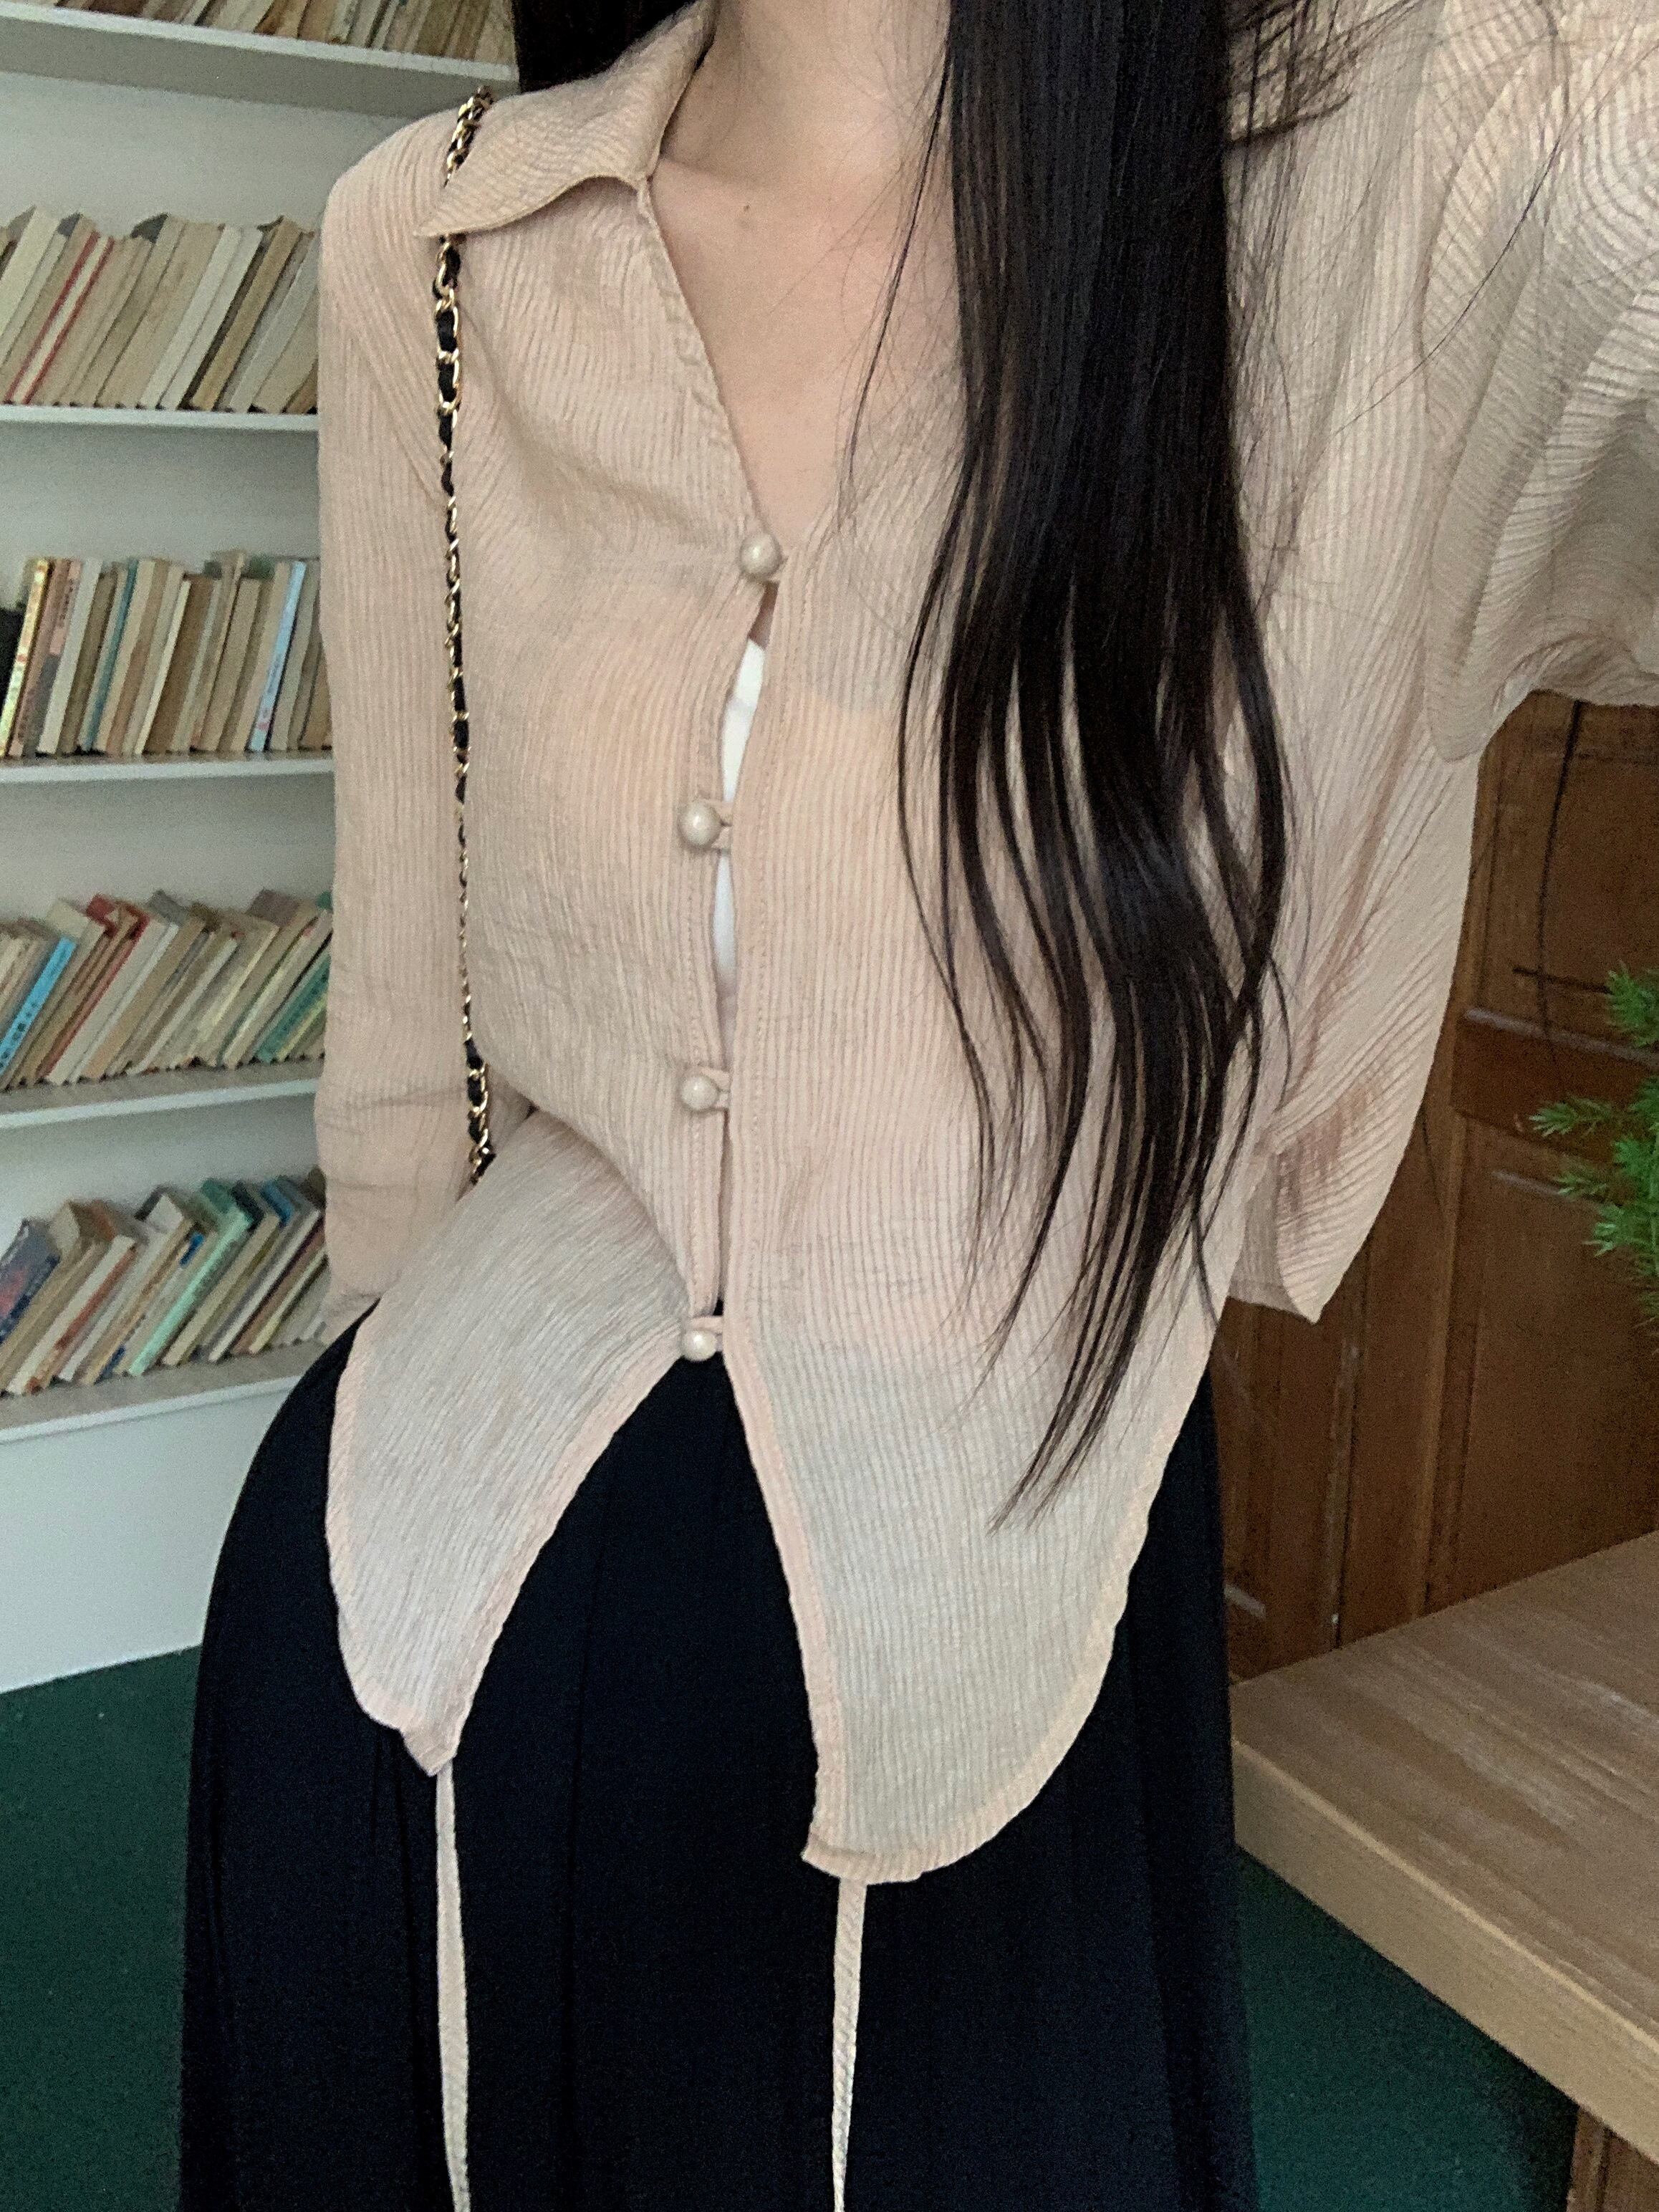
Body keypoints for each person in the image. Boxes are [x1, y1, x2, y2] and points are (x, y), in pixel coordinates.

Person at [178, 0, 1659, 2204]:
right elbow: (409, 1021)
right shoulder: (441, 237)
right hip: (415, 1587)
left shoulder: (1407, 184)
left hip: (1018, 1608)